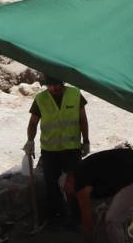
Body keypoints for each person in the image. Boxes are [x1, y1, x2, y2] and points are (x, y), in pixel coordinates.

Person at [60, 146, 133, 243]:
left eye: (68, 191)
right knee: (109, 211)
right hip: (131, 166)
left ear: (69, 182)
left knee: (112, 219)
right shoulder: (86, 172)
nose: (72, 195)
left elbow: (87, 220)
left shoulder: (80, 181)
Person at [25, 77, 87, 228]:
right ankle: (56, 218)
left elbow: (83, 120)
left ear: (62, 83)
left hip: (71, 149)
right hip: (50, 151)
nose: (53, 89)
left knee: (74, 184)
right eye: (49, 86)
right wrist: (30, 140)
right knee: (51, 186)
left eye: (56, 85)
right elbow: (33, 122)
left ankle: (77, 218)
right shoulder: (41, 98)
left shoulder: (75, 94)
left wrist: (86, 141)